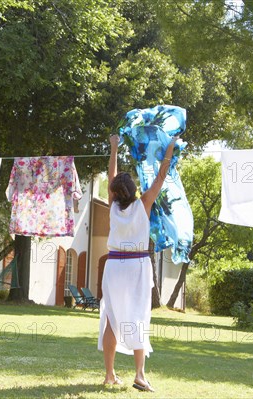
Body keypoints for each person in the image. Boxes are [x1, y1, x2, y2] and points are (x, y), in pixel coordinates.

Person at [99, 133, 179, 392]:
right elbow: (160, 177)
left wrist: (114, 148)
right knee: (138, 318)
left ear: (113, 193)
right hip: (136, 267)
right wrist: (170, 148)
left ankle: (110, 375)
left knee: (111, 318)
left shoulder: (112, 205)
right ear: (133, 191)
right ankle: (140, 375)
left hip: (113, 266)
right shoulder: (143, 203)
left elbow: (111, 177)